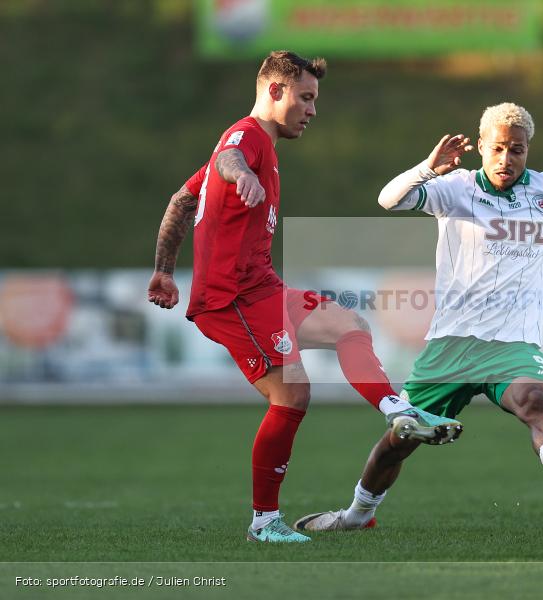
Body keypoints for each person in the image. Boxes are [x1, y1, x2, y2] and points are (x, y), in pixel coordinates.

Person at [146, 51, 462, 544]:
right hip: (233, 299)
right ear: (275, 91)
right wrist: (241, 175)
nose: (313, 110)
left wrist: (165, 272)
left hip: (265, 288)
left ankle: (398, 410)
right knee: (292, 392)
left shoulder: (261, 148)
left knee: (348, 326)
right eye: (306, 98)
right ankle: (264, 522)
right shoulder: (247, 137)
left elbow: (183, 199)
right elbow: (229, 158)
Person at [295, 102, 543, 532]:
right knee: (400, 438)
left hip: (512, 342)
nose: (507, 159)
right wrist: (429, 167)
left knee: (533, 400)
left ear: (527, 150)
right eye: (498, 148)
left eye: (517, 150)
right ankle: (357, 514)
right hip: (453, 343)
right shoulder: (456, 188)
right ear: (481, 145)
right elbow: (389, 199)